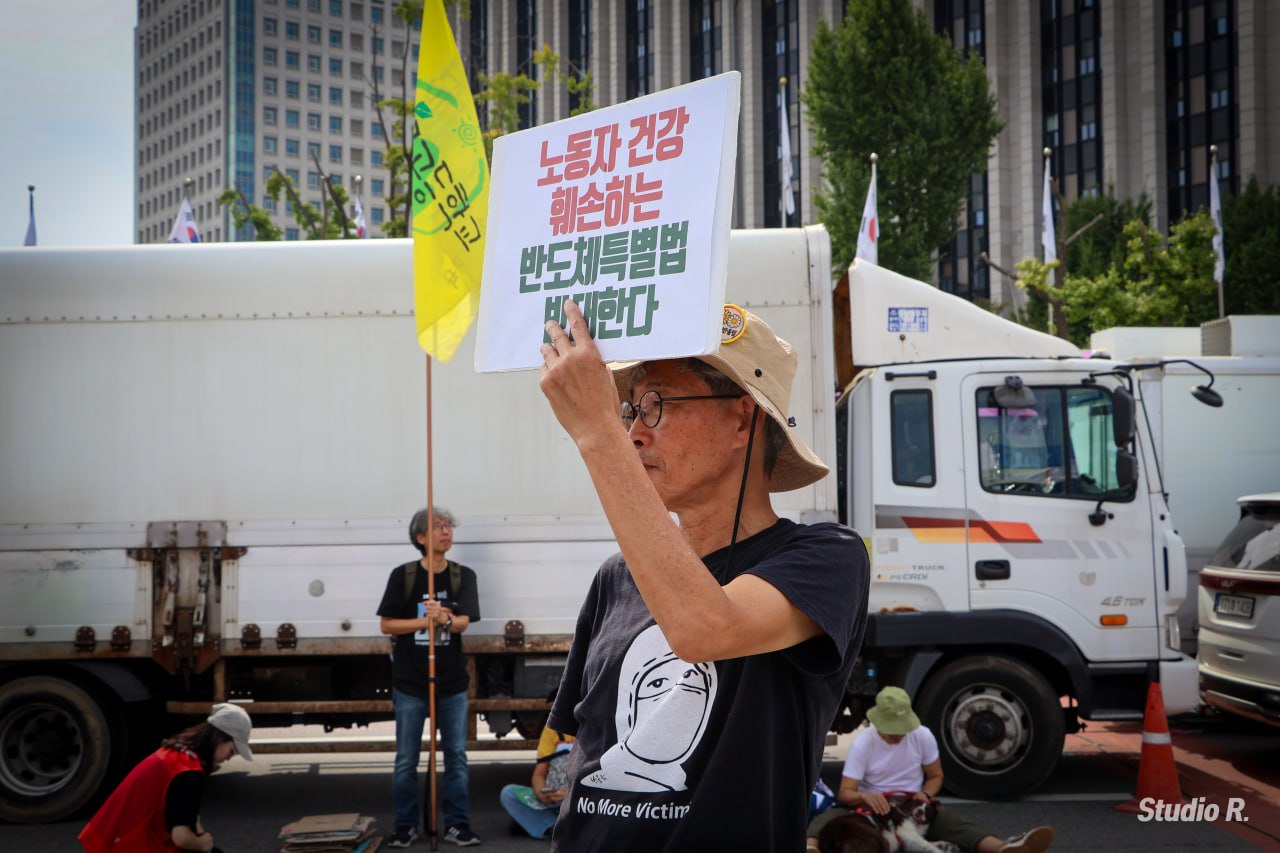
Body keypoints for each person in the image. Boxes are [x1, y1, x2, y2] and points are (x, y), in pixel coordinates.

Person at [538, 301, 871, 850]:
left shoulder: (826, 556)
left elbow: (703, 630)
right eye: (630, 410)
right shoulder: (616, 577)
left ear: (743, 419)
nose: (633, 432)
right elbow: (590, 743)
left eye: (657, 404)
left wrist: (596, 431)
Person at [806, 687, 1055, 853]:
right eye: (892, 729)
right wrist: (866, 796)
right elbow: (846, 792)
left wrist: (926, 794)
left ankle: (1003, 847)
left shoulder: (922, 735)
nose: (898, 734)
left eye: (902, 728)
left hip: (911, 803)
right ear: (877, 723)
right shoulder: (864, 742)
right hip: (873, 806)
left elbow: (936, 776)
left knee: (953, 822)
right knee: (828, 817)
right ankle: (811, 847)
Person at [378, 506, 482, 847]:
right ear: (421, 537)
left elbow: (464, 621)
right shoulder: (404, 575)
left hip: (451, 683)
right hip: (411, 683)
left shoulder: (462, 576)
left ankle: (457, 824)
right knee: (407, 759)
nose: (446, 531)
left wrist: (445, 620)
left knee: (456, 757)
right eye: (437, 527)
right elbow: (387, 625)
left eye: (448, 526)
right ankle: (405, 825)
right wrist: (426, 620)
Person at [78, 703, 253, 853]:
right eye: (232, 750)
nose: (230, 757)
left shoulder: (177, 753)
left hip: (110, 839)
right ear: (219, 738)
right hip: (126, 845)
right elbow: (181, 837)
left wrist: (202, 838)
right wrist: (202, 844)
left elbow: (185, 813)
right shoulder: (189, 773)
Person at [498, 726, 576, 839]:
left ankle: (541, 824)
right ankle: (554, 827)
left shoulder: (597, 730)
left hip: (581, 800)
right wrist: (541, 793)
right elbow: (540, 773)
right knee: (508, 793)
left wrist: (572, 794)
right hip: (553, 801)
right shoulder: (552, 729)